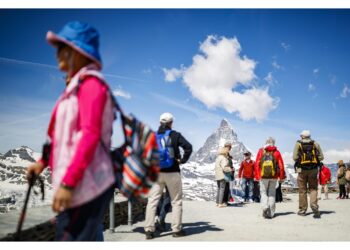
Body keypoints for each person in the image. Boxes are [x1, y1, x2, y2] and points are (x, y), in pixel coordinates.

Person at [26, 21, 115, 240]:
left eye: (62, 48)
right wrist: (41, 163)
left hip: (84, 186)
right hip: (78, 184)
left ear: (79, 52)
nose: (57, 54)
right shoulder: (71, 92)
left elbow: (90, 134)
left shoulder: (92, 86)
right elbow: (55, 138)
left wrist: (68, 183)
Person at [144, 113, 192, 239]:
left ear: (160, 122)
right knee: (176, 201)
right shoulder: (175, 135)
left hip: (156, 173)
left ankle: (149, 230)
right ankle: (176, 230)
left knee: (152, 201)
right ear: (171, 123)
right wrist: (182, 160)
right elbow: (188, 147)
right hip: (173, 172)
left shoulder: (152, 136)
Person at [293, 130, 324, 218]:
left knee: (302, 190)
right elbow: (322, 157)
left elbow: (295, 157)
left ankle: (303, 210)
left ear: (302, 136)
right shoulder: (315, 144)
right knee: (313, 188)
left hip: (302, 170)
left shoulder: (298, 144)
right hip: (313, 169)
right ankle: (314, 205)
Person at [255, 137, 285, 219]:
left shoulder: (261, 151)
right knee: (272, 193)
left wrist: (257, 176)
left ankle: (265, 206)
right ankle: (271, 213)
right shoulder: (277, 152)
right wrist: (281, 177)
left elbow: (257, 164)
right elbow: (281, 166)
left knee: (263, 193)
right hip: (274, 176)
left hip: (263, 176)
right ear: (274, 143)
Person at [215, 143, 233, 208]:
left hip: (217, 175)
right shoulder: (223, 158)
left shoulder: (218, 157)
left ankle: (217, 202)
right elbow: (224, 167)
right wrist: (230, 169)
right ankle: (220, 203)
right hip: (223, 175)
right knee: (222, 189)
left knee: (219, 189)